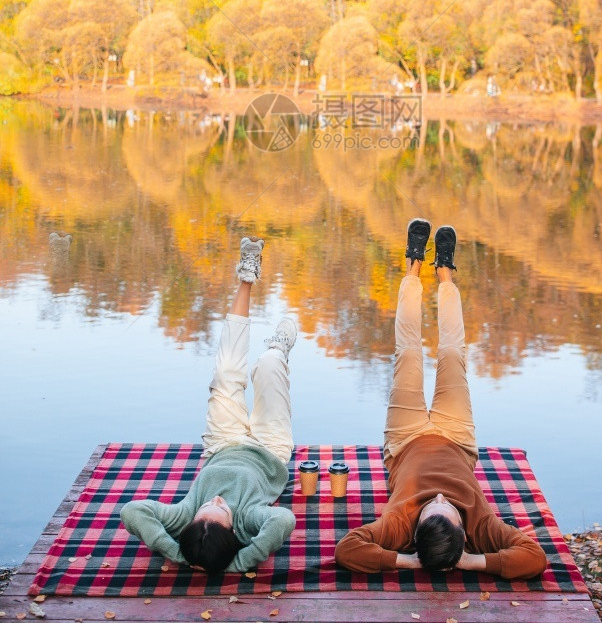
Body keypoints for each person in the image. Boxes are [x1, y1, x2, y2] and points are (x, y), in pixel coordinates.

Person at [335, 219, 547, 578]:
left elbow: (348, 550)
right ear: (465, 537)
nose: (438, 497)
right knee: (452, 353)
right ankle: (446, 275)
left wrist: (406, 560)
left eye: (431, 509)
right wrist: (474, 561)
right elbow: (535, 558)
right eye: (445, 507)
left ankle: (414, 268)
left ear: (415, 534)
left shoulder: (398, 526)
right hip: (457, 438)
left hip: (405, 441)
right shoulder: (482, 528)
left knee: (409, 354)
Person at [121, 236, 297, 576]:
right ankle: (278, 347)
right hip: (271, 450)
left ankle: (246, 278)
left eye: (206, 509)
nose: (214, 501)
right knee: (269, 365)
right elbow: (283, 520)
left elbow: (132, 512)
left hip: (223, 443)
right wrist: (241, 562)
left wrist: (178, 554)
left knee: (226, 374)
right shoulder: (249, 522)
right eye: (221, 510)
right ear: (234, 531)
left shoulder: (186, 517)